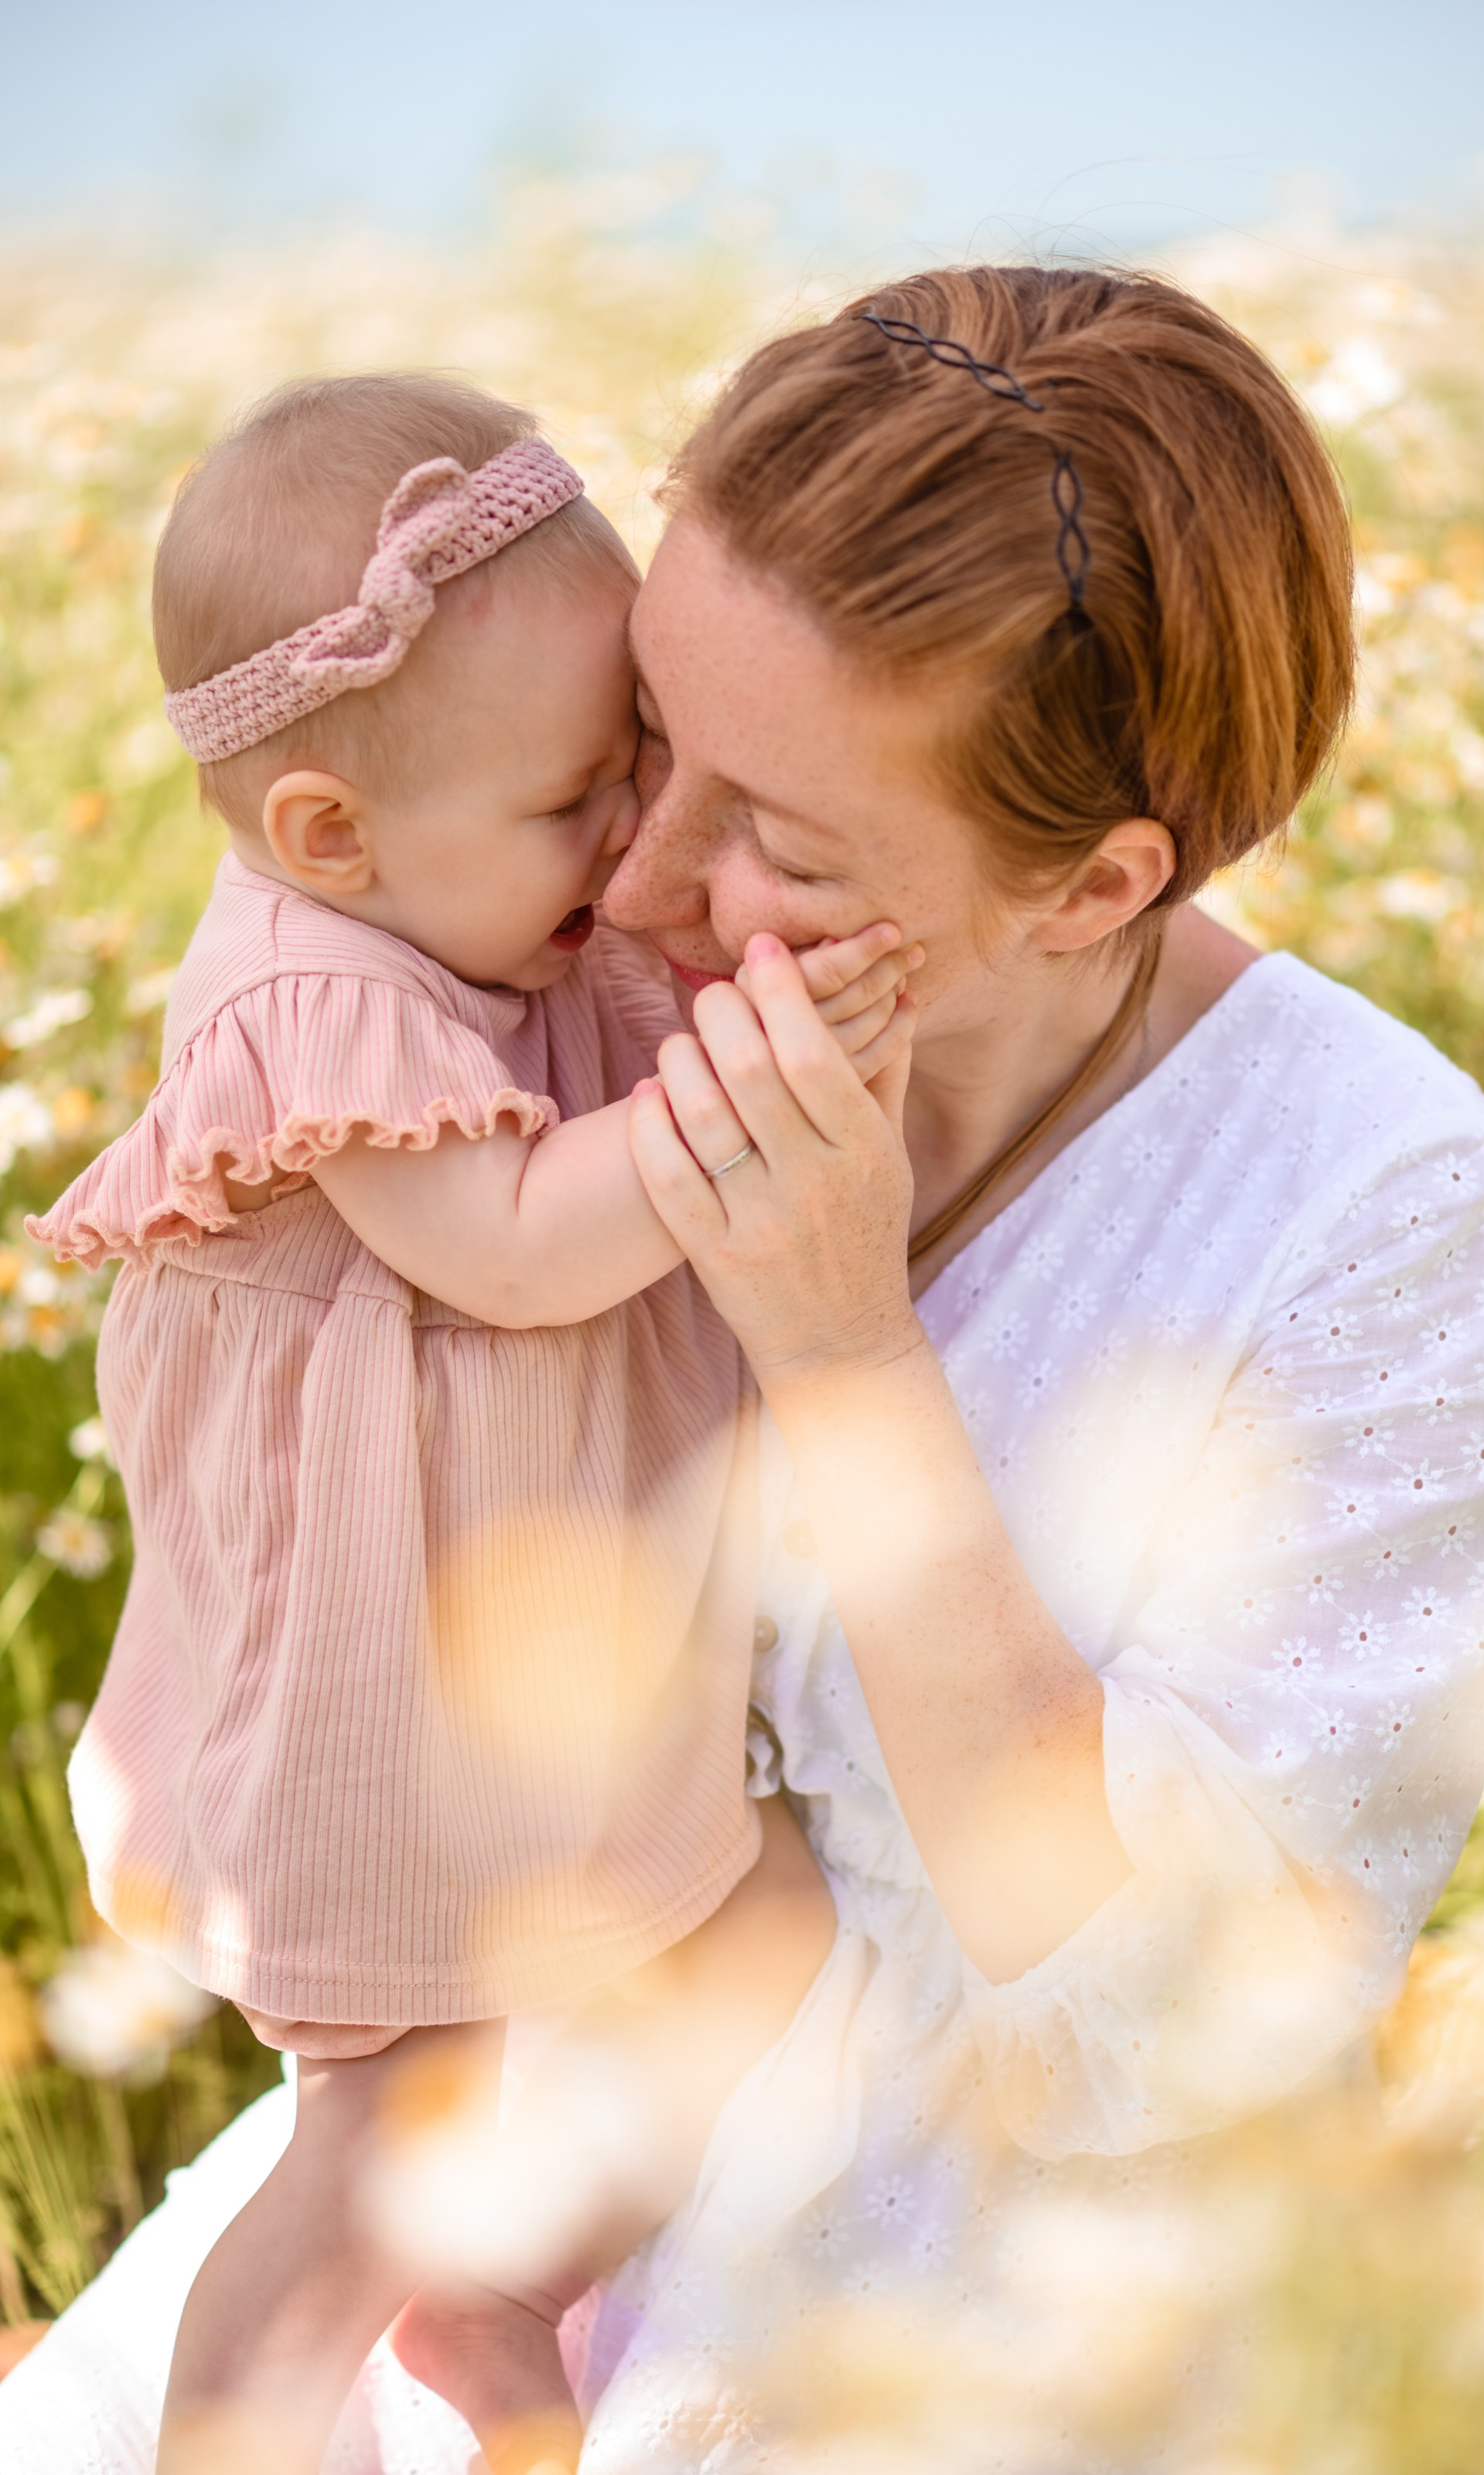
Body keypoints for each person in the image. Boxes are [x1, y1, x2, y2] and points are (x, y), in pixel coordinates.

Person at [1, 265, 1484, 2473]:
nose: (640, 876)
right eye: (645, 740)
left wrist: (844, 1350)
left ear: (1091, 886)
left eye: (781, 846)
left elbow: (1186, 2033)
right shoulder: (504, 956)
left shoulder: (1373, 1211)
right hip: (465, 2144)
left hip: (959, 2316)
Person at [22, 372, 910, 2475]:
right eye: (578, 803)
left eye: (644, 771)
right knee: (380, 2135)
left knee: (766, 1926)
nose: (633, 843)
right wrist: (732, 1115)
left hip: (525, 1637)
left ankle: (501, 2281)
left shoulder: (474, 900)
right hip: (379, 1682)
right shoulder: (304, 1000)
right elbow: (512, 1248)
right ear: (329, 832)